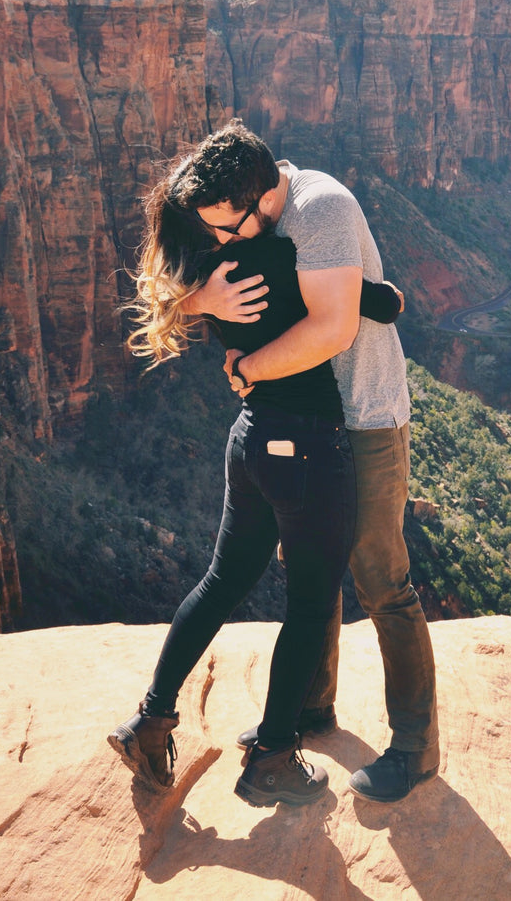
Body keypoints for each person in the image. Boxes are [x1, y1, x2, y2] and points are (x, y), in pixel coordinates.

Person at [109, 165, 401, 807]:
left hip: (249, 440)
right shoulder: (277, 254)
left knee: (221, 581)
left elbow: (165, 300)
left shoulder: (206, 275)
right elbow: (380, 304)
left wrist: (202, 308)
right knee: (310, 602)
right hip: (307, 447)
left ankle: (150, 720)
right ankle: (271, 758)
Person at [175, 121, 439, 803]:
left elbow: (333, 327)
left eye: (229, 230)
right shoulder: (254, 215)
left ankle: (414, 746)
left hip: (365, 417)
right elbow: (176, 285)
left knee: (381, 578)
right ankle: (308, 711)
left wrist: (249, 369)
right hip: (309, 424)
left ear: (263, 200)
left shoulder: (320, 208)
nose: (222, 244)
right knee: (313, 574)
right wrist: (203, 298)